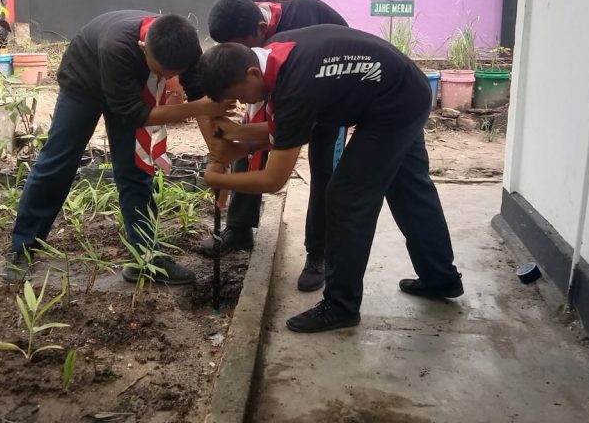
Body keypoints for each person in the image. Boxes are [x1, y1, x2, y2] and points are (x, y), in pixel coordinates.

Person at [197, 25, 463, 333]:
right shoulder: (276, 53)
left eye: (240, 96)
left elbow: (273, 180)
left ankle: (341, 305)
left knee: (347, 197)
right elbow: (287, 130)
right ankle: (441, 277)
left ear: (253, 74)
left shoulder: (295, 84)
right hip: (401, 87)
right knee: (409, 190)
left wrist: (217, 178)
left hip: (393, 106)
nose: (244, 103)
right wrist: (235, 145)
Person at [5, 11, 232, 285]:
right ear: (143, 47)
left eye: (170, 76)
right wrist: (195, 107)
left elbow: (201, 102)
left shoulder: (185, 48)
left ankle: (145, 259)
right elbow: (135, 113)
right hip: (84, 85)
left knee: (135, 171)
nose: (163, 78)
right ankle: (22, 248)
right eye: (159, 72)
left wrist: (217, 158)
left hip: (131, 90)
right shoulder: (116, 47)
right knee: (56, 163)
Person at [203, 0, 347, 292]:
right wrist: (223, 145)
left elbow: (275, 174)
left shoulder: (302, 24)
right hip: (280, 80)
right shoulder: (243, 15)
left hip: (330, 95)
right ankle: (239, 229)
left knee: (324, 171)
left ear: (259, 29)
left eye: (241, 48)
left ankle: (318, 253)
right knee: (248, 134)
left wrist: (220, 172)